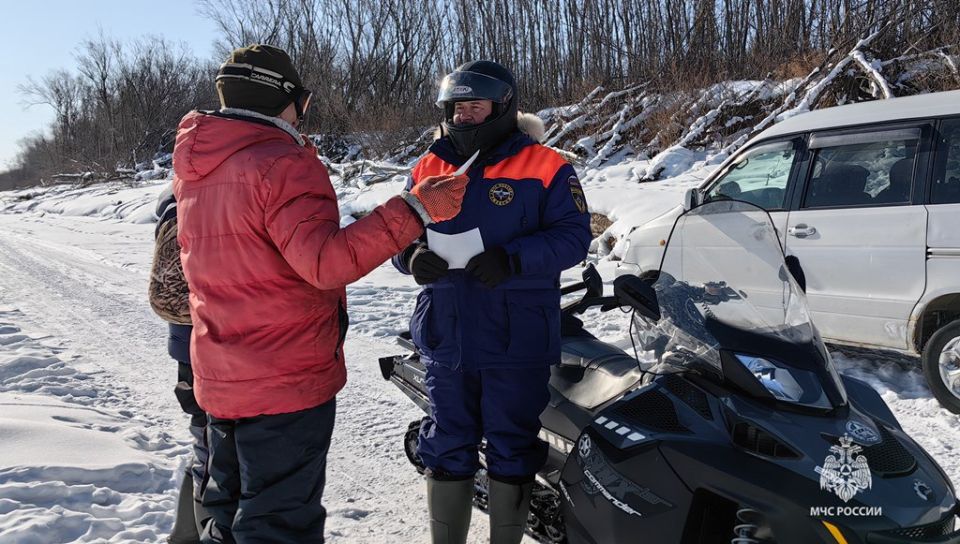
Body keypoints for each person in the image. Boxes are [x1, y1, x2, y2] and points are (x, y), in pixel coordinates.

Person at [171, 44, 468, 543]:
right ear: (288, 99)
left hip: (221, 375)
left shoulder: (199, 165)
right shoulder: (281, 162)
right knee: (278, 525)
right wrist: (415, 209)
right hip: (283, 379)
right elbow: (326, 263)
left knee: (225, 512)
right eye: (302, 100)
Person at [392, 60, 592, 544]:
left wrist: (513, 258)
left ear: (503, 107)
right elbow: (397, 231)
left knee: (512, 444)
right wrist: (412, 256)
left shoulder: (546, 165)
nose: (463, 116)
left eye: (474, 107)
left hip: (515, 335)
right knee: (446, 441)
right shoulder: (428, 165)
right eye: (456, 108)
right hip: (447, 331)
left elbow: (573, 237)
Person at [148, 183, 211, 544]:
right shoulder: (206, 196)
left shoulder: (177, 194)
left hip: (188, 347)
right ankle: (195, 535)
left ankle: (186, 535)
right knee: (216, 450)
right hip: (211, 347)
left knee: (207, 443)